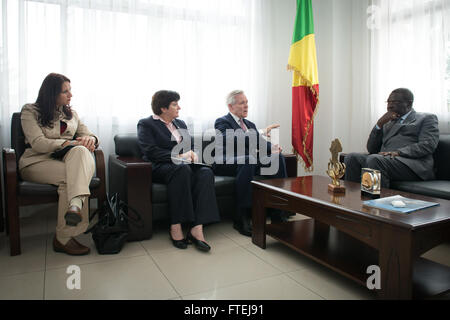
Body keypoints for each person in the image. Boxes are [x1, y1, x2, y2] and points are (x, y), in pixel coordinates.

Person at [19, 73, 99, 256]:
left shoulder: (72, 114)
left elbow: (90, 135)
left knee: (81, 152)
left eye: (70, 90)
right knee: (76, 172)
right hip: (36, 162)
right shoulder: (30, 111)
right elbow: (38, 143)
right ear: (52, 93)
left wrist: (89, 139)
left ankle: (67, 225)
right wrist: (69, 143)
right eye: (65, 91)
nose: (70, 95)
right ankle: (67, 229)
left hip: (65, 162)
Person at [137, 90, 220, 252]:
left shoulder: (180, 124)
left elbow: (189, 145)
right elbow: (150, 151)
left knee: (205, 172)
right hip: (160, 166)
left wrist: (193, 153)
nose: (179, 107)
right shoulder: (146, 124)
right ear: (163, 108)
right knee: (182, 170)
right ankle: (176, 225)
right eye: (175, 104)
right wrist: (180, 156)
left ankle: (197, 227)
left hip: (182, 165)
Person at [213, 90, 288, 237]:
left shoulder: (250, 124)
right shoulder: (222, 121)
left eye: (247, 102)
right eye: (242, 103)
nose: (246, 106)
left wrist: (272, 148)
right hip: (225, 162)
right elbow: (233, 140)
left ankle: (278, 212)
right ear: (231, 106)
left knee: (278, 158)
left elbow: (259, 142)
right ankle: (241, 216)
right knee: (248, 158)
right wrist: (258, 133)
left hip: (248, 161)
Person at [344, 88, 439, 188]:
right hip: (386, 161)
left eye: (395, 102)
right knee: (352, 157)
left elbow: (428, 145)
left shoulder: (426, 118)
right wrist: (379, 124)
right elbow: (372, 149)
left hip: (412, 165)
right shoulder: (388, 121)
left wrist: (399, 152)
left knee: (375, 159)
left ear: (408, 103)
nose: (390, 105)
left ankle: (376, 201)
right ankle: (352, 199)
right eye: (388, 102)